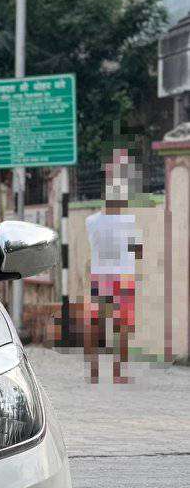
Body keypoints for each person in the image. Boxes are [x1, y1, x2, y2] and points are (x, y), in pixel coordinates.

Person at [84, 149, 142, 383]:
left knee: (96, 327)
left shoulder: (91, 221)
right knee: (123, 330)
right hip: (123, 277)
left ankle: (94, 371)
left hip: (100, 276)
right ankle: (119, 373)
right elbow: (137, 251)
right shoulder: (129, 222)